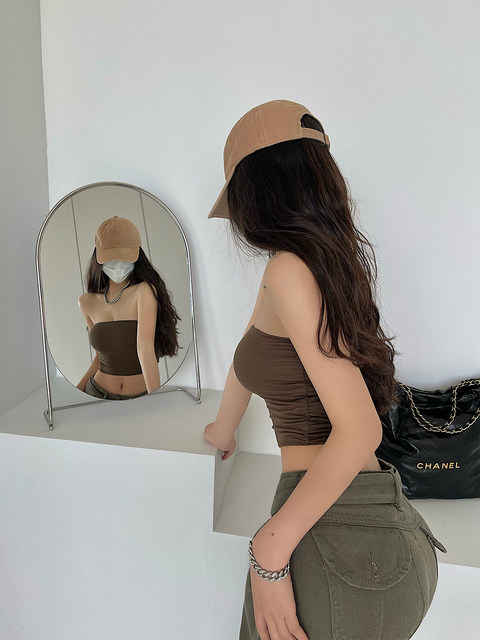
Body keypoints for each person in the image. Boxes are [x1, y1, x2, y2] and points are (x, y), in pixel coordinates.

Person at [204, 100, 447, 640]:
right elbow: (249, 350)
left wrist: (269, 550)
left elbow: (361, 429)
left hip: (337, 538)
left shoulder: (290, 271)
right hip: (371, 527)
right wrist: (223, 429)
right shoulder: (318, 264)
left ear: (254, 193)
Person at [77, 215, 181, 399]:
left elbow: (145, 349)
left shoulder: (144, 291)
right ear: (99, 258)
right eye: (111, 259)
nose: (118, 266)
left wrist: (155, 400)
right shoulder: (86, 302)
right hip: (96, 393)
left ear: (137, 256)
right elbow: (100, 358)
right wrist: (77, 392)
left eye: (124, 259)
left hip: (140, 398)